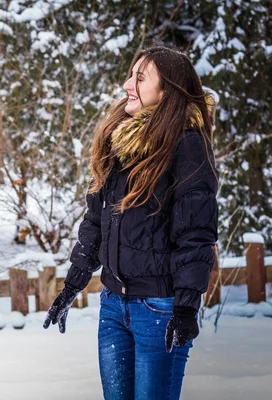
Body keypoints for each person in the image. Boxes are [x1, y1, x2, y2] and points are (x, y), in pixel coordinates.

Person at [43, 46, 218, 400]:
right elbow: (96, 220)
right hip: (113, 305)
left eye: (140, 78)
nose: (127, 84)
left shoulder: (186, 145)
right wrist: (73, 284)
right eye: (130, 74)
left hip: (159, 309)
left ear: (166, 90)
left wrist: (185, 308)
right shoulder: (119, 139)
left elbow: (195, 234)